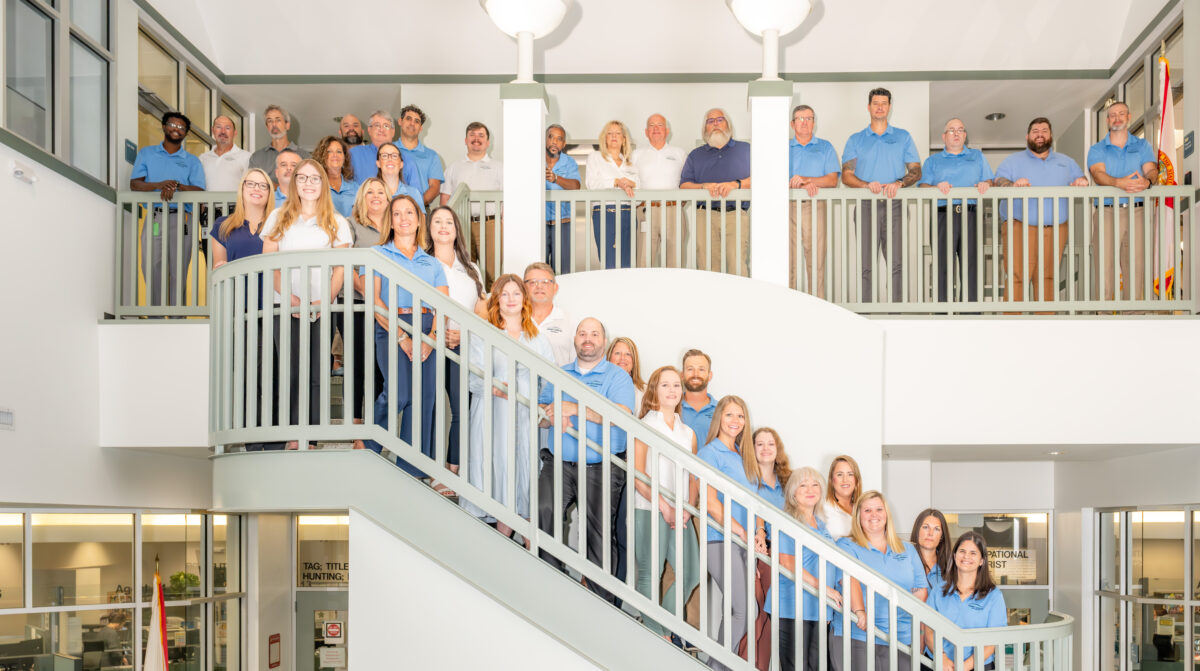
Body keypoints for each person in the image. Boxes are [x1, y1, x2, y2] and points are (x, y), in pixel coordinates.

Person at [536, 317, 635, 605]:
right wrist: (548, 414)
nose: (587, 338)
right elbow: (543, 414)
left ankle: (599, 603)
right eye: (582, 333)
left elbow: (620, 416)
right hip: (560, 463)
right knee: (544, 510)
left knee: (598, 536)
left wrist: (573, 407)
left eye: (594, 334)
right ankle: (551, 589)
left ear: (603, 342)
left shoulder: (618, 377)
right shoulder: (560, 373)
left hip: (601, 467)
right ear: (575, 340)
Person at [260, 160, 353, 448]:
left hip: (321, 307)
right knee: (290, 370)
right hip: (284, 305)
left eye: (315, 178)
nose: (309, 183)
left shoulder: (337, 221)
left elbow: (340, 268)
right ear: (294, 182)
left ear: (323, 183)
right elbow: (270, 264)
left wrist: (322, 301)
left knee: (315, 372)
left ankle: (310, 436)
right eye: (303, 178)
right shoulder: (278, 216)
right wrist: (291, 300)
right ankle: (291, 434)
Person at [461, 274, 554, 536]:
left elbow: (550, 378)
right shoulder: (484, 333)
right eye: (505, 294)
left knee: (525, 476)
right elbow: (473, 378)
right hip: (495, 415)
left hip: (526, 417)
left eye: (516, 293)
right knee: (499, 471)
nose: (511, 299)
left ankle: (528, 554)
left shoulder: (537, 337)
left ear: (524, 298)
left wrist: (543, 407)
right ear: (496, 299)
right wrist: (499, 390)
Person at [365, 195, 450, 477]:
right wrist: (403, 337)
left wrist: (431, 337)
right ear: (391, 220)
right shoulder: (377, 254)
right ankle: (369, 446)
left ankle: (410, 469)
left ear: (418, 219)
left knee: (423, 399)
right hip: (391, 324)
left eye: (409, 213)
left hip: (427, 326)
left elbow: (443, 304)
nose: (404, 218)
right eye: (398, 213)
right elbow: (375, 300)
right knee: (399, 393)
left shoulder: (432, 262)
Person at [210, 168, 277, 450]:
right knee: (250, 373)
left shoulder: (278, 224)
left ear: (270, 192)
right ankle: (253, 439)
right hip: (242, 309)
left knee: (274, 373)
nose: (257, 189)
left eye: (263, 185)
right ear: (242, 188)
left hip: (274, 306)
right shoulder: (223, 225)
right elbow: (218, 266)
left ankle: (274, 436)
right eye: (251, 183)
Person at [632, 365, 700, 641]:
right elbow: (637, 474)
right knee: (651, 571)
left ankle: (663, 629)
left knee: (690, 573)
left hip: (680, 513)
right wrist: (664, 506)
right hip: (649, 508)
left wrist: (685, 509)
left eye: (676, 385)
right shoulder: (645, 424)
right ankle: (656, 634)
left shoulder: (688, 433)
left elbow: (693, 478)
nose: (672, 390)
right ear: (654, 391)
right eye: (665, 385)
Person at [994, 117, 1089, 307]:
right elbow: (999, 181)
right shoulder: (1012, 161)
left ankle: (1046, 327)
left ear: (1051, 135)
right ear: (1027, 136)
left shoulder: (1066, 162)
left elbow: (1082, 178)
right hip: (1019, 226)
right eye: (1035, 131)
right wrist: (1012, 185)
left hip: (1056, 228)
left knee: (1048, 277)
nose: (1040, 134)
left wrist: (1082, 181)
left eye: (1044, 130)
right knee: (1017, 276)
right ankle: (1011, 327)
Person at [830, 490, 929, 671]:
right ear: (858, 516)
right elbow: (849, 579)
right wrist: (860, 611)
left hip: (902, 637)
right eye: (867, 510)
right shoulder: (846, 545)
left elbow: (920, 590)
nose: (874, 515)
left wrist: (914, 626)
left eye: (879, 509)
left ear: (886, 515)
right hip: (858, 634)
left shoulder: (907, 549)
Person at [841, 88, 921, 303]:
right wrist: (867, 185)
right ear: (869, 107)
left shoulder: (903, 137)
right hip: (866, 204)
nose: (879, 107)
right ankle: (866, 313)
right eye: (875, 103)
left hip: (895, 204)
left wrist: (899, 182)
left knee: (897, 263)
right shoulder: (856, 139)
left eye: (884, 103)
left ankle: (897, 312)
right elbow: (846, 176)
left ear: (889, 107)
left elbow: (916, 171)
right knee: (865, 263)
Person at [427, 206, 487, 490]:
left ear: (456, 229)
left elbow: (483, 310)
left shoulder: (471, 268)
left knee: (462, 408)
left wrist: (463, 332)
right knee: (430, 406)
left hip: (464, 344)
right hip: (429, 342)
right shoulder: (421, 262)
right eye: (437, 221)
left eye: (448, 221)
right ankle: (426, 466)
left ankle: (453, 470)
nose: (443, 226)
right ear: (428, 228)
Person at [696, 395, 756, 671]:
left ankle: (719, 665)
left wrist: (756, 535)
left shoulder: (742, 457)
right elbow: (710, 503)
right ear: (719, 417)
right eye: (730, 415)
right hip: (720, 539)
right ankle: (716, 667)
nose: (735, 421)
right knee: (743, 611)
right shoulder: (710, 452)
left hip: (743, 542)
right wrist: (743, 531)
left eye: (740, 416)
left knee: (737, 610)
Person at [765, 467, 843, 671]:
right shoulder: (786, 521)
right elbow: (787, 563)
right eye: (803, 485)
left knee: (816, 667)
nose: (810, 489)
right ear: (793, 493)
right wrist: (825, 590)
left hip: (817, 607)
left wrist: (826, 604)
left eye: (815, 484)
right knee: (795, 666)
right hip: (791, 606)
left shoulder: (821, 525)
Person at [129, 111, 207, 307]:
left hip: (183, 219)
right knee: (151, 265)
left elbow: (199, 190)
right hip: (156, 217)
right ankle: (155, 312)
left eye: (181, 128)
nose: (176, 129)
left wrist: (177, 186)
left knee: (178, 268)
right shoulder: (147, 153)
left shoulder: (192, 161)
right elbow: (135, 184)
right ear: (164, 126)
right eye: (173, 125)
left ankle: (176, 315)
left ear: (186, 133)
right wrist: (160, 184)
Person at [1087, 102, 1158, 304]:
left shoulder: (1142, 146)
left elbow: (1151, 170)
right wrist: (1120, 183)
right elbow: (1098, 175)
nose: (1116, 118)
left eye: (1121, 114)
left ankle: (1133, 313)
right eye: (1112, 115)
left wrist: (1147, 181)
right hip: (1107, 211)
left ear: (1128, 117)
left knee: (1136, 264)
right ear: (1107, 121)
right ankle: (1104, 314)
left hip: (1138, 210)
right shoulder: (1097, 149)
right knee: (1105, 264)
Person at [919, 118, 994, 302]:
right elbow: (923, 187)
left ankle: (971, 314)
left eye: (960, 130)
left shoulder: (977, 156)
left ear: (965, 135)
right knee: (942, 265)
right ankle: (942, 314)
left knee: (972, 265)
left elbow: (990, 180)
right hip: (943, 215)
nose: (956, 133)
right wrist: (937, 188)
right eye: (951, 130)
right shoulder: (933, 160)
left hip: (971, 214)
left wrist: (986, 184)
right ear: (944, 136)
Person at [341, 177, 391, 450]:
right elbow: (347, 265)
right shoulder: (351, 225)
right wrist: (370, 296)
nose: (375, 196)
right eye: (369, 191)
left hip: (385, 307)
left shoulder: (395, 227)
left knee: (380, 368)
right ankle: (355, 423)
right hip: (357, 303)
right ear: (362, 197)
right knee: (359, 364)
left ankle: (374, 425)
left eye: (380, 191)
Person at [681, 108, 752, 275]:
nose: (715, 124)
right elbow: (684, 185)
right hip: (704, 215)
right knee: (707, 266)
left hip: (736, 213)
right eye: (710, 121)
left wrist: (736, 184)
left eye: (720, 120)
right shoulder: (695, 155)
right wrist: (703, 186)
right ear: (705, 128)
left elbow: (764, 179)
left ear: (728, 124)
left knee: (737, 266)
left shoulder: (746, 150)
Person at [925, 531, 1007, 671]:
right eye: (962, 551)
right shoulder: (938, 591)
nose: (966, 556)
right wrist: (942, 658)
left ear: (982, 560)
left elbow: (993, 641)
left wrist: (964, 667)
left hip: (977, 665)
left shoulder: (994, 596)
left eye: (973, 553)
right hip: (938, 664)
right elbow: (928, 630)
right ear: (955, 555)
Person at [745, 427, 790, 671]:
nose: (765, 449)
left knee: (773, 619)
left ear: (777, 448)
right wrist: (752, 562)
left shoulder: (788, 481)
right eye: (759, 444)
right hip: (759, 553)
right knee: (757, 615)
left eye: (770, 444)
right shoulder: (747, 478)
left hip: (784, 557)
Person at [440, 121, 504, 284]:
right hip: (461, 225)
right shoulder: (454, 167)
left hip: (491, 225)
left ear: (488, 142)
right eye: (472, 135)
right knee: (465, 273)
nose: (476, 139)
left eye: (481, 135)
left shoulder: (499, 168)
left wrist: (503, 223)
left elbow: (508, 200)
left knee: (492, 274)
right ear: (466, 140)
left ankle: (491, 308)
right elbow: (445, 199)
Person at [788, 105, 840, 296]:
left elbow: (832, 180)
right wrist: (797, 184)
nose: (804, 122)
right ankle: (788, 306)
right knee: (788, 260)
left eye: (809, 118)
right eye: (800, 119)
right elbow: (775, 180)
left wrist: (807, 180)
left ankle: (817, 307)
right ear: (792, 124)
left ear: (814, 123)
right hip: (788, 206)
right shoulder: (783, 147)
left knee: (816, 260)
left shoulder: (825, 147)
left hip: (816, 205)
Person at [632, 113, 688, 267]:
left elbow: (687, 181)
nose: (655, 129)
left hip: (673, 210)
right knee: (643, 261)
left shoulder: (680, 153)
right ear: (646, 132)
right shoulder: (636, 155)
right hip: (645, 210)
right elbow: (631, 182)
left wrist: (678, 203)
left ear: (667, 131)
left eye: (660, 125)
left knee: (675, 261)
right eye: (651, 125)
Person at [586, 120, 639, 269]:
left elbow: (639, 194)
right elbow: (592, 184)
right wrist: (616, 182)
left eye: (617, 133)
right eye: (609, 133)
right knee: (609, 262)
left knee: (627, 262)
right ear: (604, 138)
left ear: (624, 139)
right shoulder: (595, 157)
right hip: (605, 213)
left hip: (628, 214)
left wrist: (632, 184)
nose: (613, 136)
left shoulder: (630, 164)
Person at [545, 124, 581, 273]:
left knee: (563, 272)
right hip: (538, 223)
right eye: (551, 137)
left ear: (564, 144)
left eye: (559, 139)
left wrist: (556, 179)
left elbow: (576, 185)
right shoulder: (533, 159)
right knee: (538, 270)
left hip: (563, 223)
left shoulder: (569, 162)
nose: (554, 142)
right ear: (545, 140)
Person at [523, 262, 575, 366]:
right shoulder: (514, 319)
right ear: (523, 288)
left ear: (555, 288)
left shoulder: (571, 323)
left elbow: (577, 364)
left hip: (559, 382)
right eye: (533, 282)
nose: (539, 287)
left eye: (545, 282)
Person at [397, 104, 445, 207]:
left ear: (421, 128)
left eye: (417, 121)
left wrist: (416, 206)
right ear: (400, 121)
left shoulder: (432, 156)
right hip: (391, 210)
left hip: (422, 210)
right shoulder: (388, 150)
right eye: (408, 119)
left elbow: (435, 188)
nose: (412, 123)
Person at [248, 104, 308, 175]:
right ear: (267, 127)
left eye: (278, 120)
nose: (274, 124)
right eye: (270, 121)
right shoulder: (257, 157)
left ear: (287, 125)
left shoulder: (305, 156)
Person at [198, 115, 251, 192]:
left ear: (235, 133)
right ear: (213, 131)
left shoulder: (246, 157)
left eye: (227, 128)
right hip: (207, 204)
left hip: (235, 204)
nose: (223, 131)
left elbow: (250, 187)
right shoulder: (203, 158)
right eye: (219, 127)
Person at [311, 136, 359, 218]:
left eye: (339, 152)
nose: (335, 155)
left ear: (344, 157)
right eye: (329, 151)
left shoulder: (355, 187)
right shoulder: (314, 186)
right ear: (321, 156)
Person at [349, 110, 396, 185]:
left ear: (393, 132)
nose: (381, 129)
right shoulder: (354, 154)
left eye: (386, 126)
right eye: (377, 125)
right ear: (369, 130)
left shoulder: (405, 158)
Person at [680, 349, 716, 443]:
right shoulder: (671, 407)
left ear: (710, 375)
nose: (695, 374)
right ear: (682, 375)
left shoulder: (721, 410)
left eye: (701, 369)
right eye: (690, 369)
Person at [824, 455, 862, 539]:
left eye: (850, 474)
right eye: (840, 474)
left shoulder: (863, 509)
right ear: (832, 480)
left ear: (856, 479)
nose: (845, 479)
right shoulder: (823, 509)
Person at [911, 508, 952, 586]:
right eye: (925, 527)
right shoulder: (905, 562)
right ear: (917, 530)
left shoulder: (950, 569)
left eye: (936, 529)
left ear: (941, 536)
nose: (930, 533)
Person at [606, 336, 645, 411]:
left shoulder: (645, 392)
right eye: (617, 353)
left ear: (634, 360)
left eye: (628, 354)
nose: (622, 358)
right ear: (609, 357)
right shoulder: (599, 385)